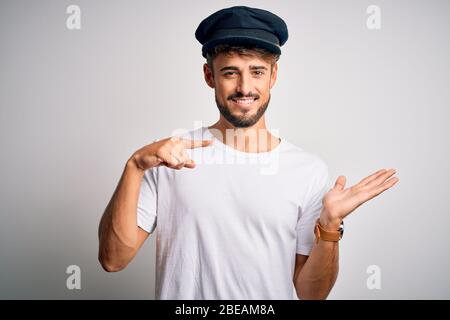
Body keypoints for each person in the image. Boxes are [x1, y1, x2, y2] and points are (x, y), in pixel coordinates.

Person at [97, 5, 399, 299]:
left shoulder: (307, 171)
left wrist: (330, 227)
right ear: (209, 76)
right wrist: (135, 165)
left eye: (257, 72)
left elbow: (311, 294)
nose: (245, 87)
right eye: (230, 73)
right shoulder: (169, 157)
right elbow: (113, 260)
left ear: (273, 76)